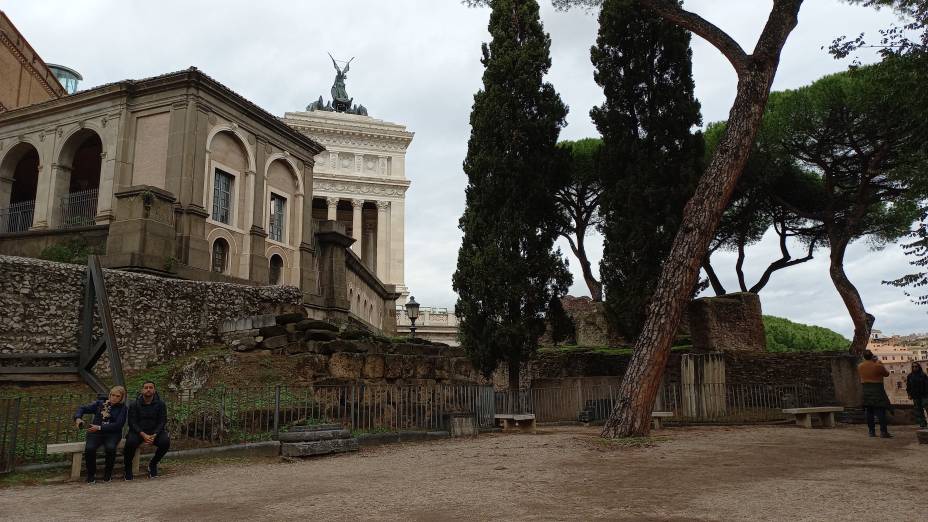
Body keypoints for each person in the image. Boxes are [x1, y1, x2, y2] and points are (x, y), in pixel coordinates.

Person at [73, 385, 128, 483]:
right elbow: (82, 408)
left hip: (112, 433)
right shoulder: (100, 404)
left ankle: (108, 473)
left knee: (110, 448)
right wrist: (78, 417)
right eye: (112, 395)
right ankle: (91, 474)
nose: (114, 398)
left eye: (117, 396)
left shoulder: (123, 408)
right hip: (96, 433)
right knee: (89, 448)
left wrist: (99, 427)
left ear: (122, 397)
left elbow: (118, 425)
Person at [123, 381, 170, 480]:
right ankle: (127, 467)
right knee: (130, 442)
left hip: (155, 432)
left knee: (165, 442)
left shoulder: (161, 404)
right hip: (138, 432)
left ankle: (153, 464)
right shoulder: (134, 404)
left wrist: (155, 434)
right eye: (146, 387)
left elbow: (162, 421)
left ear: (154, 390)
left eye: (150, 387)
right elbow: (132, 422)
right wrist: (143, 434)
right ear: (142, 390)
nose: (148, 389)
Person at [858, 350, 893, 438]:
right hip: (877, 389)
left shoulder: (860, 366)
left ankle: (871, 432)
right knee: (881, 411)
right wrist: (880, 364)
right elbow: (887, 374)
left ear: (863, 357)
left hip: (865, 389)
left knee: (869, 412)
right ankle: (883, 432)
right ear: (872, 356)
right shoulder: (878, 365)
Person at [906, 362, 928, 429]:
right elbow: (908, 386)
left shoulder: (923, 375)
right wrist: (909, 394)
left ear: (919, 367)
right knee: (918, 410)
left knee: (926, 407)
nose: (914, 368)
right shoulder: (910, 376)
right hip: (915, 395)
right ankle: (922, 423)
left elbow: (927, 385)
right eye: (913, 367)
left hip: (924, 395)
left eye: (916, 366)